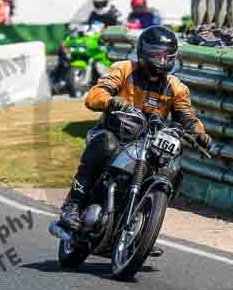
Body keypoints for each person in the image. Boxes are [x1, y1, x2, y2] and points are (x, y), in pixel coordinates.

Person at [58, 25, 212, 231]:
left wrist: (199, 133)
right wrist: (111, 101)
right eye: (156, 55)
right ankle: (73, 205)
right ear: (143, 52)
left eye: (167, 56)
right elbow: (95, 95)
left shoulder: (177, 87)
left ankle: (146, 217)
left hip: (149, 141)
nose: (162, 61)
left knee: (171, 166)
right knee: (105, 145)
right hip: (114, 133)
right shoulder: (123, 69)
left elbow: (187, 116)